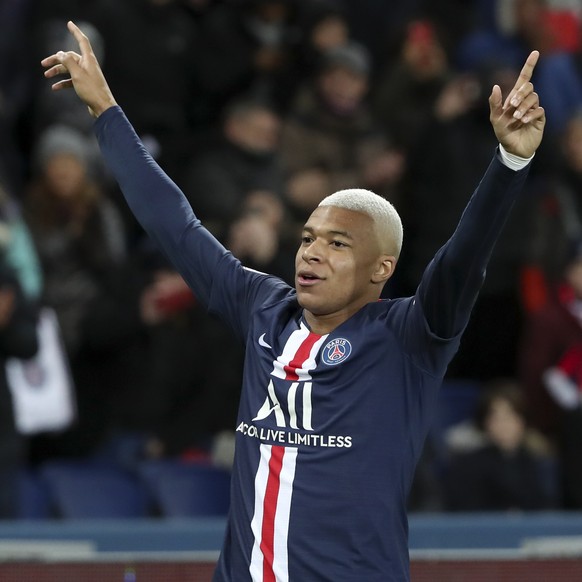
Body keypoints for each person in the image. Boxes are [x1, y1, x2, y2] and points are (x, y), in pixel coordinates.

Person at [42, 22, 545, 581]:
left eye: (336, 243)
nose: (311, 253)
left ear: (382, 268)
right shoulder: (263, 306)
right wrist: (106, 110)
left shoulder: (410, 335)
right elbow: (175, 225)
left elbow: (463, 260)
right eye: (307, 237)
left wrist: (509, 166)